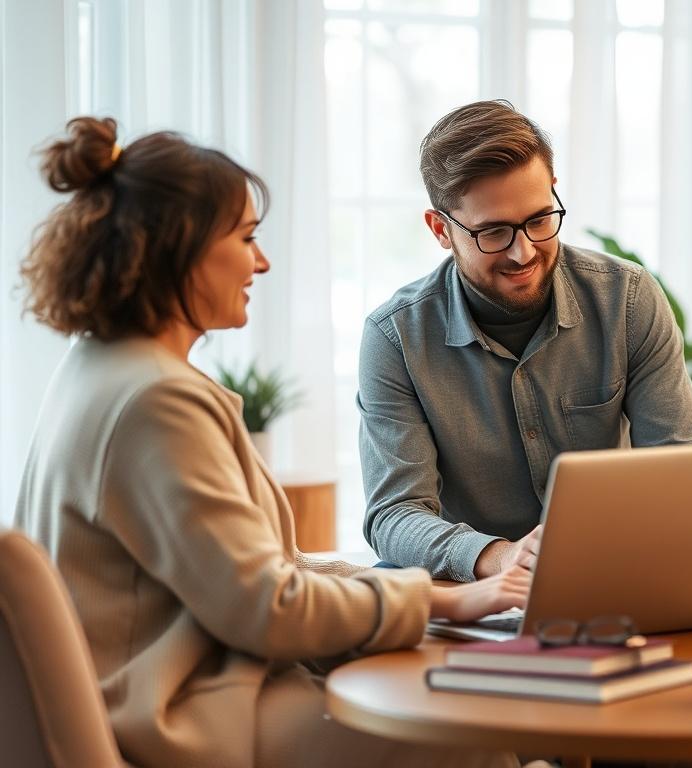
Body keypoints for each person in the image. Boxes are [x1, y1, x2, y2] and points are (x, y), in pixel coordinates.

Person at [14, 117, 532, 768]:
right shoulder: (157, 400)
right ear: (178, 248)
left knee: (459, 694)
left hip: (155, 695)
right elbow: (271, 608)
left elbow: (256, 572)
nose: (260, 261)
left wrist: (439, 597)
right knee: (472, 735)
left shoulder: (100, 366)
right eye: (246, 237)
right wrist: (447, 599)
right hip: (181, 721)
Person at [359, 100, 692, 590]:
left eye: (539, 219)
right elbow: (394, 515)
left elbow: (685, 471)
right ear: (441, 229)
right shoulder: (394, 338)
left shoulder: (627, 300)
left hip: (614, 575)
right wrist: (501, 558)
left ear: (554, 193)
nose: (522, 251)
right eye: (493, 232)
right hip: (472, 590)